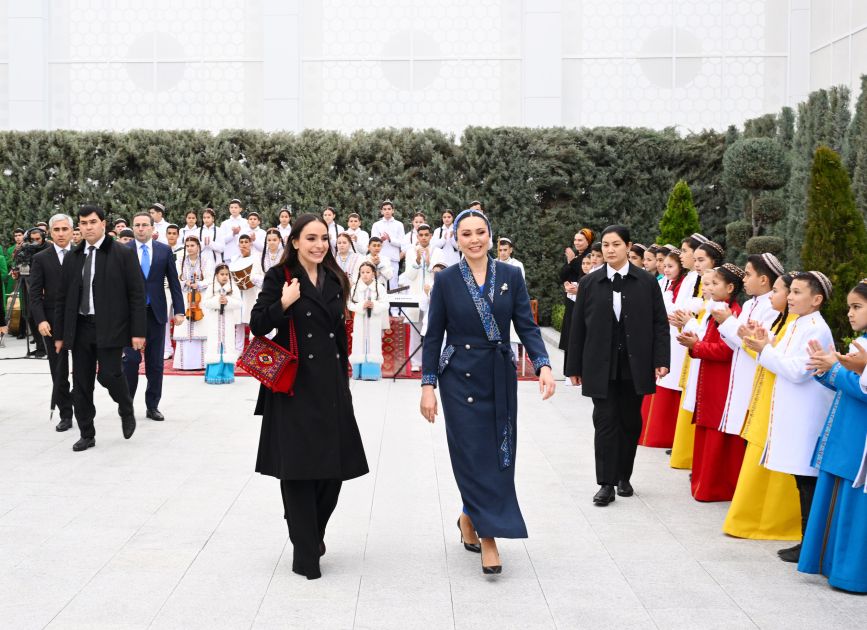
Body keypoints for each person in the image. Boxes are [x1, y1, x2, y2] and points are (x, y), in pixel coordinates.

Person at [420, 208, 555, 575]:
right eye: (466, 234)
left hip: (498, 375)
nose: (474, 239)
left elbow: (526, 326)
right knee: (469, 453)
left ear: (490, 236)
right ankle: (489, 537)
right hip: (458, 378)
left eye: (480, 232)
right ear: (456, 239)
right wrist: (428, 385)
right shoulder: (446, 280)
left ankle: (469, 515)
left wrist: (543, 364)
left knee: (498, 453)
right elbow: (433, 336)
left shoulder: (510, 275)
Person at [250, 213, 369, 580]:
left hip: (331, 383)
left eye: (323, 239)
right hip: (293, 386)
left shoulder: (336, 278)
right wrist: (283, 303)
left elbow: (339, 333)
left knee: (334, 471)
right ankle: (305, 552)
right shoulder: (279, 277)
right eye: (311, 238)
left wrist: (345, 378)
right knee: (298, 470)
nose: (319, 245)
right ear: (296, 242)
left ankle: (310, 530)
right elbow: (258, 324)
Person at [566, 224, 670, 506]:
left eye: (616, 244)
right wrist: (573, 366)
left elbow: (659, 323)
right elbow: (578, 327)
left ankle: (624, 475)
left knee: (630, 421)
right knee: (605, 421)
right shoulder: (590, 282)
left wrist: (661, 359)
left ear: (628, 246)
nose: (610, 250)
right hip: (600, 364)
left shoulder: (646, 282)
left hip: (635, 365)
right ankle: (606, 483)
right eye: (606, 245)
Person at [745, 271, 836, 564]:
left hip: (807, 414)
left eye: (797, 292)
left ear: (816, 299)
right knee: (802, 479)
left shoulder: (817, 329)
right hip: (795, 411)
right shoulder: (798, 323)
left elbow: (798, 370)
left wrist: (764, 350)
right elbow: (783, 355)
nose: (791, 297)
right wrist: (766, 342)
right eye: (791, 291)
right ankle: (807, 541)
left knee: (807, 480)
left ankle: (811, 544)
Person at [54, 205, 145, 451]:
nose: (88, 227)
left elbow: (137, 294)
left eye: (93, 222)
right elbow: (62, 298)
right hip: (80, 328)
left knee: (109, 374)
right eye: (83, 223)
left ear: (103, 224)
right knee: (81, 383)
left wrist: (138, 332)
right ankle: (87, 433)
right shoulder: (73, 257)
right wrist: (60, 334)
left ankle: (125, 406)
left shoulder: (122, 253)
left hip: (111, 327)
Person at [798, 280, 867, 592]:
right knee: (840, 495)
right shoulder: (861, 342)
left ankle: (851, 574)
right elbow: (849, 383)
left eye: (857, 307)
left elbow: (863, 388)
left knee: (855, 501)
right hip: (847, 428)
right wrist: (825, 369)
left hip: (859, 435)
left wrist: (836, 370)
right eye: (850, 306)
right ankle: (833, 566)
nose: (850, 313)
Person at [724, 272, 801, 541]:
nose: (775, 297)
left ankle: (772, 523)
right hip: (768, 395)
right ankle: (751, 520)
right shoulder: (786, 322)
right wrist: (758, 341)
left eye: (781, 291)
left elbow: (789, 365)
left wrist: (760, 345)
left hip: (782, 401)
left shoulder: (804, 326)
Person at [678, 264, 745, 502]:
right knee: (707, 428)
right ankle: (703, 482)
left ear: (730, 287)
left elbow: (725, 351)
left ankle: (714, 487)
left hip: (722, 380)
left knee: (717, 431)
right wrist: (695, 340)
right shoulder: (716, 309)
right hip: (710, 376)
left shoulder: (732, 313)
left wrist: (696, 346)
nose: (710, 288)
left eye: (715, 283)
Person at [122, 212, 185, 423]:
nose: (140, 228)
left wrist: (179, 310)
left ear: (152, 228)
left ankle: (152, 406)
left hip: (156, 312)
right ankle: (127, 404)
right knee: (131, 361)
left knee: (155, 363)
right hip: (131, 315)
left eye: (144, 225)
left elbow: (174, 282)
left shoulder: (164, 250)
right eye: (137, 225)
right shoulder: (124, 250)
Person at [715, 254, 783, 440]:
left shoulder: (772, 307)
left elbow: (755, 345)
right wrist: (727, 325)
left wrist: (729, 322)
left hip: (753, 372)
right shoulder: (748, 304)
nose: (743, 279)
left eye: (747, 274)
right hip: (739, 369)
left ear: (763, 279)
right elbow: (738, 341)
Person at [28, 213, 75, 431]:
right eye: (56, 230)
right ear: (50, 232)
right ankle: (65, 413)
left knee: (84, 369)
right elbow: (35, 294)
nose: (61, 233)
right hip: (52, 322)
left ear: (72, 231)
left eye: (65, 229)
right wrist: (41, 320)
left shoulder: (83, 254)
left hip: (81, 320)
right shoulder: (41, 258)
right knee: (58, 369)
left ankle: (80, 403)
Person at [640, 248, 687, 448]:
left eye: (669, 265)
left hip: (676, 339)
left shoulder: (686, 282)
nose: (664, 269)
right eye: (662, 264)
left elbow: (676, 310)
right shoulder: (667, 283)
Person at [401, 223, 443, 372]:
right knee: (415, 329)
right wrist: (418, 260)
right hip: (415, 295)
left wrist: (429, 260)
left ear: (431, 236)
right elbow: (409, 276)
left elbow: (440, 273)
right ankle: (415, 362)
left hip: (432, 294)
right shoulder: (411, 252)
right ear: (417, 236)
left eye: (426, 235)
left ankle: (432, 360)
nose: (424, 237)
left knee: (433, 329)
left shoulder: (438, 251)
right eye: (421, 235)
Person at [173, 236, 213, 371]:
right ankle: (184, 363)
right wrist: (186, 282)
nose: (189, 248)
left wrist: (199, 284)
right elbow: (176, 278)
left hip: (201, 297)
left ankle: (202, 363)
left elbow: (210, 278)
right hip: (185, 296)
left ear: (198, 247)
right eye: (187, 246)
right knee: (184, 327)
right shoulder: (180, 261)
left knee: (201, 326)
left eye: (192, 245)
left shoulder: (206, 260)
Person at [558, 228, 593, 374]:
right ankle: (569, 370)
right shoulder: (576, 256)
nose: (577, 243)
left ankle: (577, 370)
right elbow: (562, 275)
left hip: (583, 300)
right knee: (570, 333)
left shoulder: (590, 255)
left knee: (577, 334)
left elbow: (583, 271)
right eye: (575, 240)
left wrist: (572, 260)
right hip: (571, 299)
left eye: (580, 240)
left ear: (588, 241)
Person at [347, 261, 389, 380]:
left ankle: (371, 374)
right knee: (359, 344)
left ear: (373, 273)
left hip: (374, 321)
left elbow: (386, 304)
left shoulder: (379, 287)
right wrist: (361, 306)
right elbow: (349, 304)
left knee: (373, 345)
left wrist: (374, 305)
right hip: (360, 321)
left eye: (368, 272)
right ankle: (358, 373)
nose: (365, 275)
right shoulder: (355, 288)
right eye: (362, 272)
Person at [203, 263, 241, 384]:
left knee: (227, 346)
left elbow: (239, 303)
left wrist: (227, 301)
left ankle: (227, 375)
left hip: (228, 323)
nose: (224, 277)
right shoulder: (211, 288)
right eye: (222, 274)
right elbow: (206, 302)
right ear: (216, 275)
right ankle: (214, 375)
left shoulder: (233, 288)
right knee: (215, 347)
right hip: (214, 323)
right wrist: (217, 301)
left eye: (226, 274)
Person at [229, 234, 264, 352]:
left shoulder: (256, 258)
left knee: (251, 319)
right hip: (238, 293)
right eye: (241, 242)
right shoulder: (234, 260)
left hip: (252, 293)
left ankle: (253, 350)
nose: (243, 244)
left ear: (250, 243)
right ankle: (238, 351)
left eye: (246, 242)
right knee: (238, 323)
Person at [497, 237, 526, 359]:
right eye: (500, 250)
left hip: (510, 304)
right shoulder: (492, 263)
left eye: (505, 250)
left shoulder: (517, 265)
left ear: (511, 250)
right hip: (495, 305)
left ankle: (511, 358)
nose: (502, 253)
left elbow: (521, 286)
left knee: (511, 334)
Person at [370, 200, 404, 290]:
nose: (387, 211)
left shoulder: (399, 224)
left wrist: (390, 239)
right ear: (381, 211)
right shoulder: (376, 225)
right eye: (384, 209)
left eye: (389, 209)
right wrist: (380, 240)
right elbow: (372, 241)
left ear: (393, 210)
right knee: (379, 284)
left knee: (393, 284)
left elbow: (402, 243)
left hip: (393, 259)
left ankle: (394, 300)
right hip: (379, 259)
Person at [219, 198, 248, 263]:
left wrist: (239, 232)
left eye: (235, 207)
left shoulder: (246, 222)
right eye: (231, 207)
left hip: (243, 255)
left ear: (240, 209)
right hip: (229, 255)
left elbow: (248, 239)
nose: (233, 209)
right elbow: (222, 240)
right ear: (229, 209)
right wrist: (233, 234)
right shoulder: (224, 223)